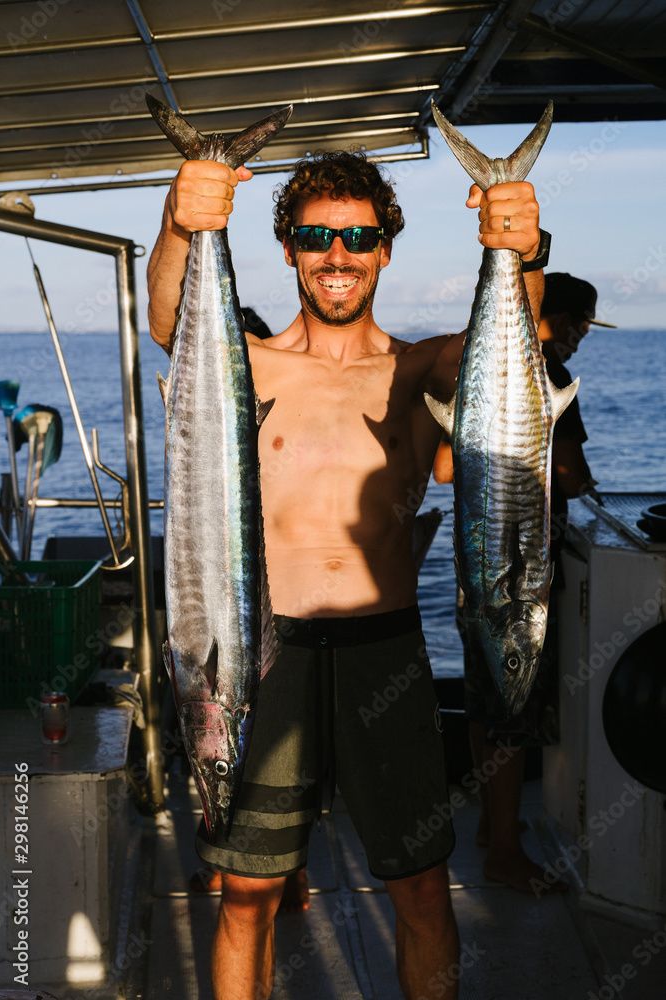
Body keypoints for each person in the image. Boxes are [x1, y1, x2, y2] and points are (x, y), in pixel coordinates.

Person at [148, 147, 544, 1000]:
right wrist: (181, 221)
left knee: (419, 886)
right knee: (248, 892)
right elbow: (169, 316)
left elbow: (512, 352)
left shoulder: (421, 367)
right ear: (289, 247)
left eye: (357, 236)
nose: (338, 254)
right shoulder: (246, 364)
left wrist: (520, 244)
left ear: (385, 249)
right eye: (317, 235)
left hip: (385, 653)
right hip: (263, 650)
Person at [433, 271, 614, 894]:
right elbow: (568, 477)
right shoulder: (547, 378)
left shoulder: (483, 371)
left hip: (476, 559)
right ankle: (505, 851)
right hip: (519, 565)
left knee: (487, 700)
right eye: (582, 325)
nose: (582, 338)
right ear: (559, 319)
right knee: (513, 702)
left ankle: (493, 825)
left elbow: (441, 468)